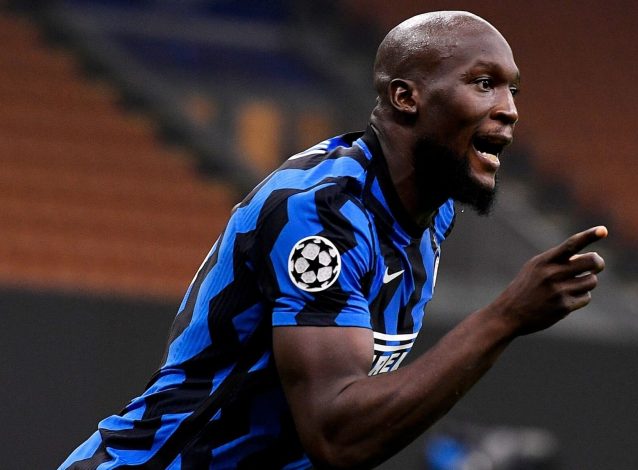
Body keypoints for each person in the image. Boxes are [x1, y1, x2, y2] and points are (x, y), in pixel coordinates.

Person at [60, 10, 606, 470]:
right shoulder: (321, 213)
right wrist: (505, 317)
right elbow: (336, 435)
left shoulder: (432, 212)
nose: (509, 109)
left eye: (512, 89)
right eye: (484, 83)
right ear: (406, 97)